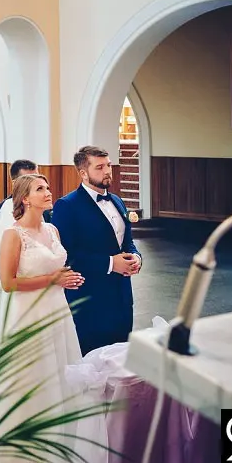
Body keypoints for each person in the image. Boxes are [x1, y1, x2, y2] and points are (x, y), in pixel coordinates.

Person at [0, 173, 87, 463]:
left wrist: (66, 277)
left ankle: (54, 451)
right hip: (26, 314)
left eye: (48, 187)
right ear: (25, 198)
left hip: (56, 311)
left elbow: (54, 267)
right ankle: (17, 459)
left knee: (57, 375)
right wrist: (54, 280)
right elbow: (9, 283)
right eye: (40, 189)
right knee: (31, 380)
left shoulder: (52, 229)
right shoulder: (14, 235)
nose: (48, 192)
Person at [52, 145, 141, 356]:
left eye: (108, 165)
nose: (108, 171)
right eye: (100, 167)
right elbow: (67, 256)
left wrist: (135, 256)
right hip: (90, 299)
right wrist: (111, 263)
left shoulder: (117, 201)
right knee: (93, 362)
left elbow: (126, 241)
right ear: (83, 173)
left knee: (119, 357)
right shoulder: (67, 206)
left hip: (121, 295)